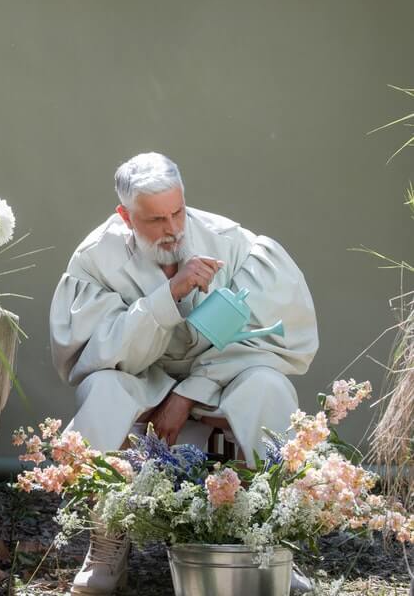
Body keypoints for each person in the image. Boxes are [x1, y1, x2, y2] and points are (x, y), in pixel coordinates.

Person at [49, 152, 319, 594]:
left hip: (220, 378)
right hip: (143, 379)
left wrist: (190, 393)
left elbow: (264, 339)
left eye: (177, 212)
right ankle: (107, 541)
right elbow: (100, 353)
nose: (172, 228)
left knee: (269, 385)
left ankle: (275, 543)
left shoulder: (232, 243)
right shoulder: (95, 259)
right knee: (101, 388)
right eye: (155, 219)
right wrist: (168, 295)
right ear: (124, 215)